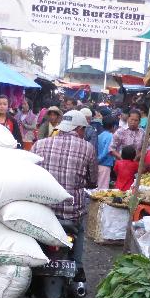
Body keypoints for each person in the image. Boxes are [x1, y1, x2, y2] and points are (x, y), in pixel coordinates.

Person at [32, 110, 97, 281]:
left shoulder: (39, 145)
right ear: (79, 129)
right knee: (81, 229)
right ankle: (78, 266)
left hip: (43, 212)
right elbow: (93, 181)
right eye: (84, 130)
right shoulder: (88, 148)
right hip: (71, 214)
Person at [96, 115, 116, 189]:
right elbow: (107, 150)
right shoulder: (111, 136)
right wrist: (99, 159)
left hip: (98, 164)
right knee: (103, 187)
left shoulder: (99, 135)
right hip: (105, 164)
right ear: (113, 126)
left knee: (98, 185)